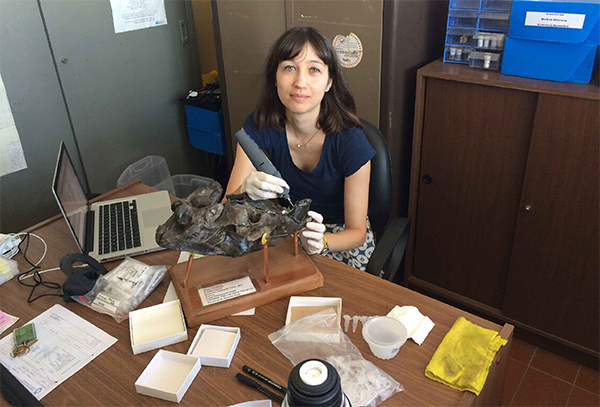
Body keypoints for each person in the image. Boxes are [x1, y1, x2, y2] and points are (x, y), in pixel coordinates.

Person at [224, 26, 376, 271]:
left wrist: (321, 242)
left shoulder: (350, 140)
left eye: (314, 69)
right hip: (282, 232)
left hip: (335, 239)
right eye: (289, 68)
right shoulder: (259, 125)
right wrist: (243, 191)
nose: (300, 82)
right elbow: (227, 207)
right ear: (275, 77)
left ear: (329, 82)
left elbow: (357, 232)